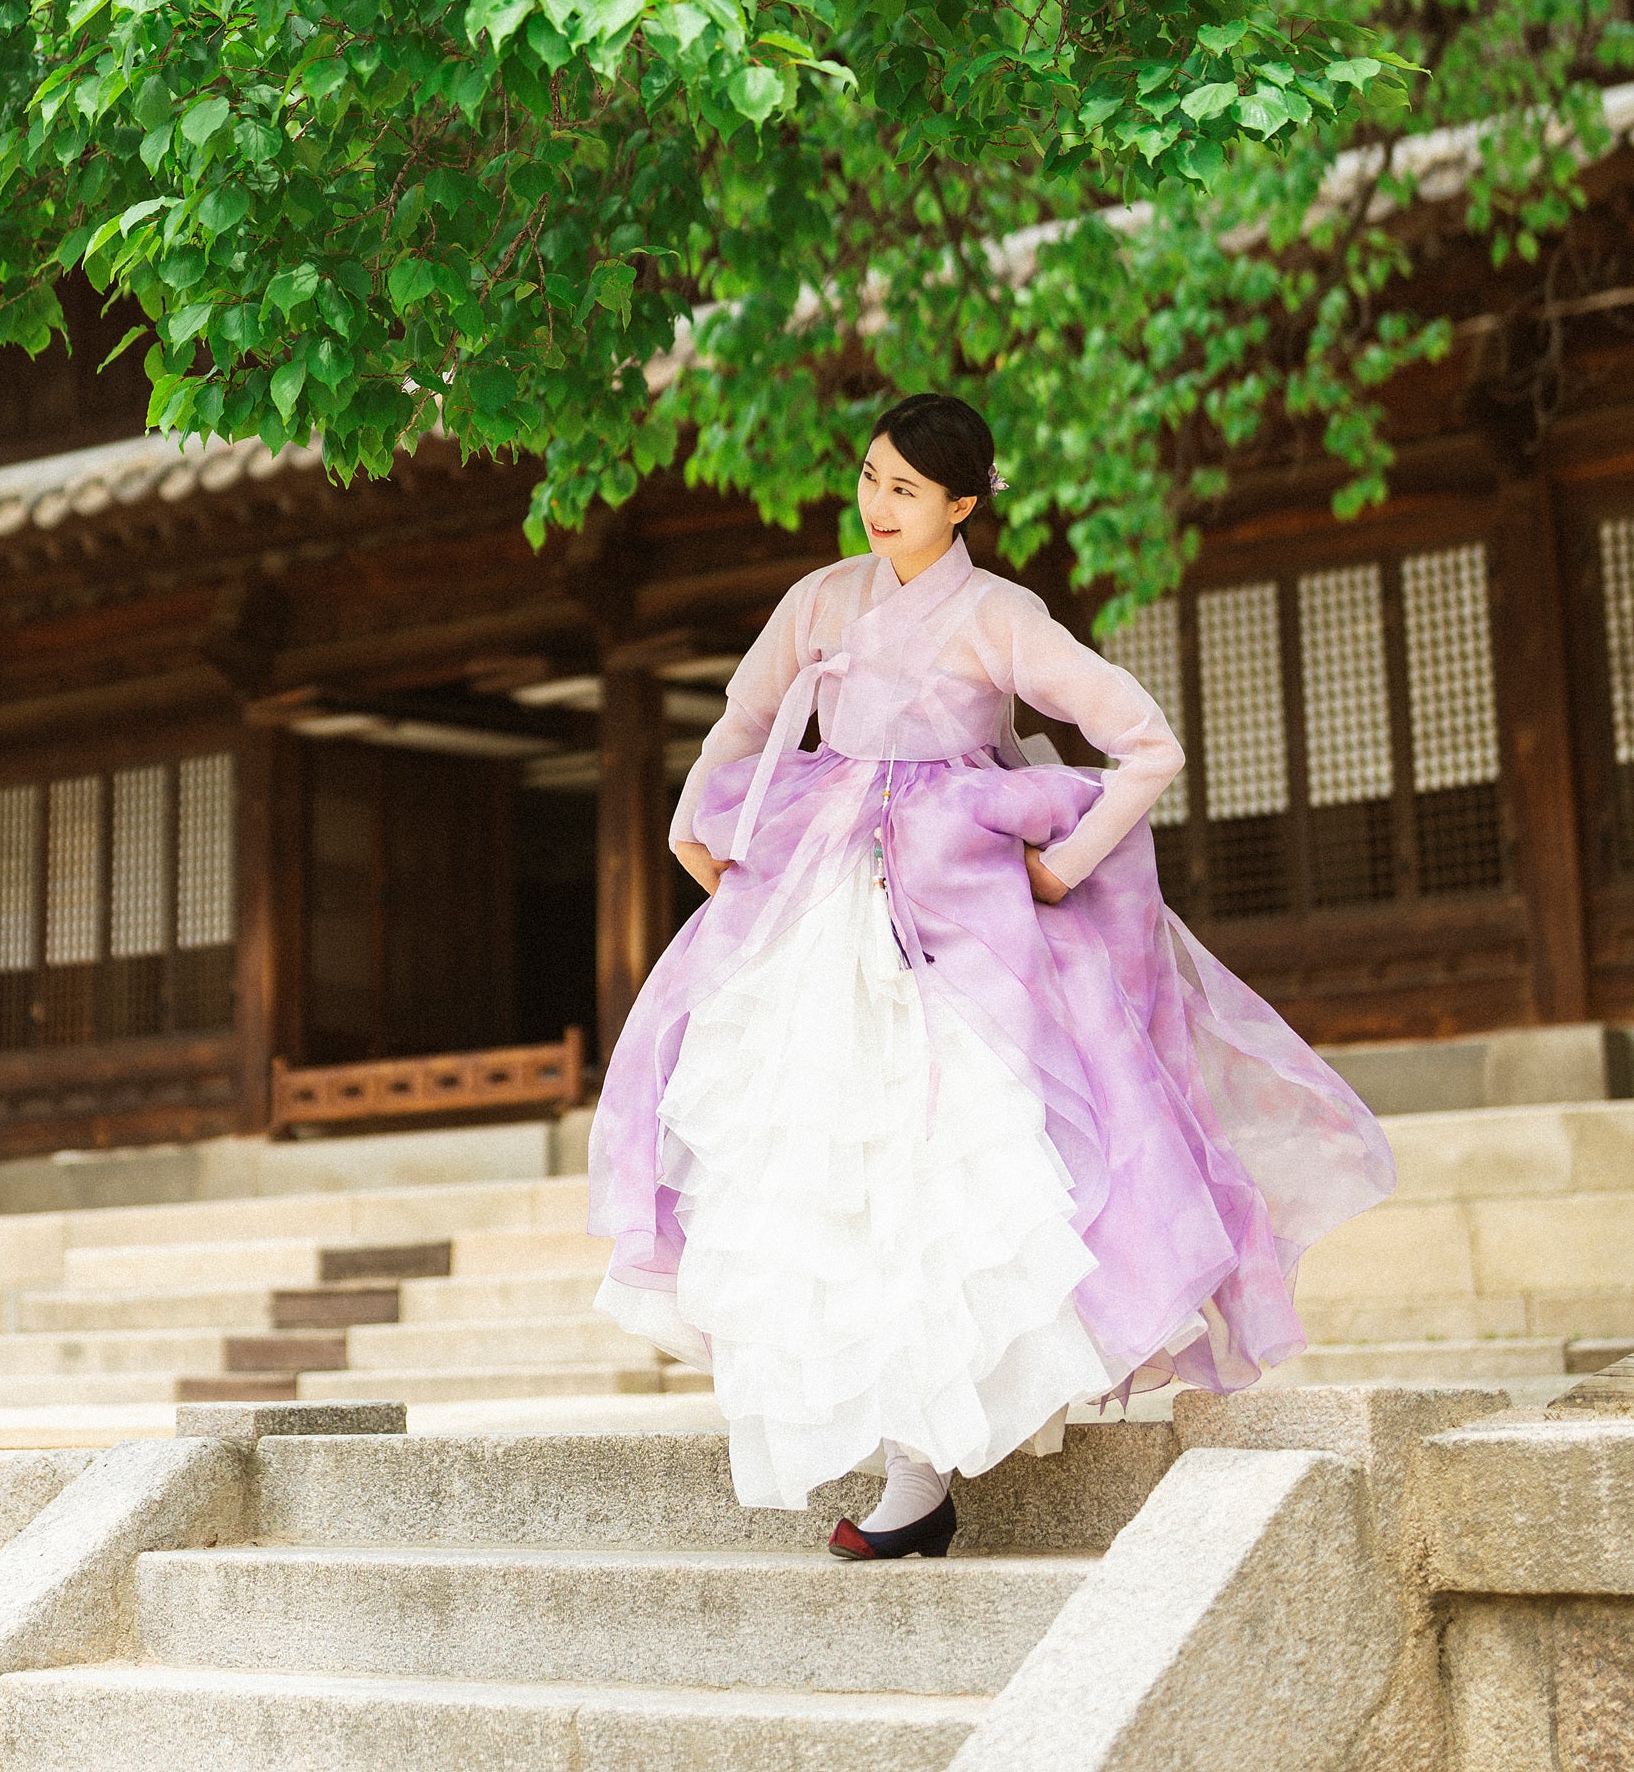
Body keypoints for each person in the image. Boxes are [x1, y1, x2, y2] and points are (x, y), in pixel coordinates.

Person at [589, 392, 1396, 1558]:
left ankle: (921, 1472)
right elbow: (743, 715)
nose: (877, 505)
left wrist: (1064, 867)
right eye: (869, 477)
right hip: (820, 904)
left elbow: (1146, 744)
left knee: (948, 1165)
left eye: (906, 490)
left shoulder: (1000, 616)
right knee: (824, 1168)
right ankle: (901, 1466)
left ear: (963, 505)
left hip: (964, 912)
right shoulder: (819, 601)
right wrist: (692, 821)